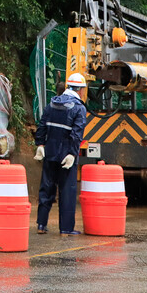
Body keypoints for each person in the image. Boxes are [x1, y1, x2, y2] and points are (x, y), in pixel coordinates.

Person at [33, 72, 88, 235]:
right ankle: (66, 228)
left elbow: (42, 126)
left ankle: (41, 225)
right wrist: (72, 154)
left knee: (46, 188)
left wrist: (40, 144)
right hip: (66, 156)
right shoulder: (79, 108)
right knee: (67, 191)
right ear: (80, 90)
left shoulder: (52, 104)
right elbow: (76, 134)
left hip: (50, 152)